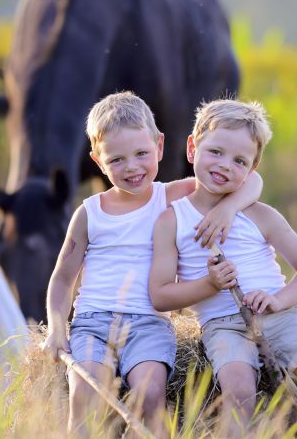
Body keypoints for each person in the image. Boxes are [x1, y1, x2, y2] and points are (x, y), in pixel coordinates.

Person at [40, 92, 262, 436]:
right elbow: (61, 279)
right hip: (92, 323)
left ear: (159, 146)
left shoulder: (171, 195)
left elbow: (252, 180)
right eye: (116, 160)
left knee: (151, 392)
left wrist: (227, 209)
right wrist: (56, 327)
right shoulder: (89, 213)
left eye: (141, 154)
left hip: (148, 325)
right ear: (97, 160)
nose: (131, 167)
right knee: (85, 392)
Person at [149, 98, 297, 434]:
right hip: (223, 326)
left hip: (281, 318)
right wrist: (209, 284)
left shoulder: (260, 215)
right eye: (215, 152)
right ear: (191, 147)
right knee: (240, 391)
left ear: (252, 170)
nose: (225, 165)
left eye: (239, 160)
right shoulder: (173, 220)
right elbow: (160, 295)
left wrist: (279, 300)